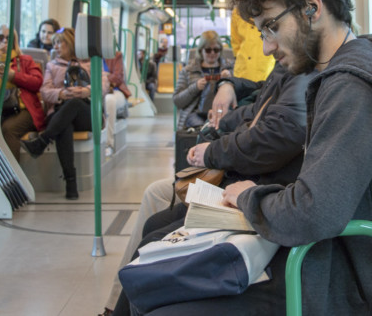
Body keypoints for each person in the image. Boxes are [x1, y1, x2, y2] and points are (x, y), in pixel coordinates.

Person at [125, 0, 372, 315]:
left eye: (271, 27)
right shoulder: (340, 73)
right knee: (154, 257)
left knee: (157, 298)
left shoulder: (355, 87)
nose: (267, 47)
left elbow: (313, 212)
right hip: (322, 254)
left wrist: (249, 197)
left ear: (312, 8)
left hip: (338, 276)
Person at [103, 63, 312, 315]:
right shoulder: (287, 71)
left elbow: (307, 196)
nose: (267, 48)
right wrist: (227, 86)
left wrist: (215, 152)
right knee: (153, 227)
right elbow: (255, 106)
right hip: (252, 187)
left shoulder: (322, 80)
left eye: (270, 28)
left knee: (153, 234)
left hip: (261, 199)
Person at [21, 28, 97, 200]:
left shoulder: (89, 63)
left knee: (75, 103)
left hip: (85, 113)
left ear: (70, 43)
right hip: (62, 112)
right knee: (65, 125)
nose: (55, 46)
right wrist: (61, 94)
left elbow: (104, 86)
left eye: (59, 42)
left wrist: (86, 90)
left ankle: (43, 141)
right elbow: (45, 91)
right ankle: (71, 183)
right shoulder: (52, 65)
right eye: (54, 42)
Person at [0, 25, 45, 162]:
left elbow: (37, 82)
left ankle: (13, 174)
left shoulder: (25, 61)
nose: (4, 42)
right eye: (0, 38)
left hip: (23, 109)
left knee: (8, 129)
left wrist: (14, 76)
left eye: (9, 39)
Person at [173, 30, 233, 130]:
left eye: (216, 50)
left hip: (223, 112)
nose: (212, 53)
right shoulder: (188, 70)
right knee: (205, 128)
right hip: (196, 115)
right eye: (208, 50)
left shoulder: (230, 68)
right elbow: (177, 101)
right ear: (201, 50)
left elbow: (238, 98)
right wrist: (195, 88)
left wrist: (230, 81)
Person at [230, 0, 275, 82]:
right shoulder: (239, 10)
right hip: (242, 74)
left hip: (269, 76)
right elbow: (236, 44)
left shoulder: (282, 5)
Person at [102, 51, 132, 156]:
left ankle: (108, 143)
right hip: (94, 90)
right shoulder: (84, 56)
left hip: (114, 90)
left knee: (109, 101)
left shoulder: (115, 55)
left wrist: (102, 78)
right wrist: (106, 76)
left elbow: (118, 77)